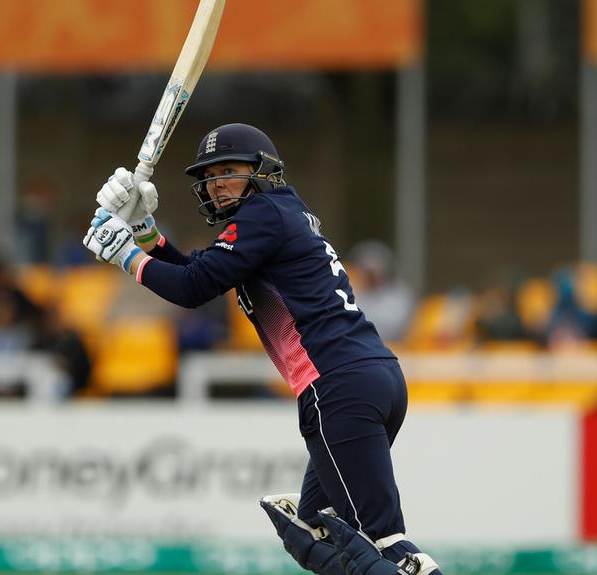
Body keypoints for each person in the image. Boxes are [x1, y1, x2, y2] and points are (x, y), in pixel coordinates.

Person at [83, 123, 441, 575]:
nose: (218, 184)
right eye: (210, 176)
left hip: (336, 385)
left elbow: (193, 288)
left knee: (380, 544)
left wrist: (125, 255)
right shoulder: (280, 214)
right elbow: (203, 271)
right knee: (311, 531)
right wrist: (145, 234)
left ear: (264, 171)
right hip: (369, 377)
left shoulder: (263, 215)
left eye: (230, 171)